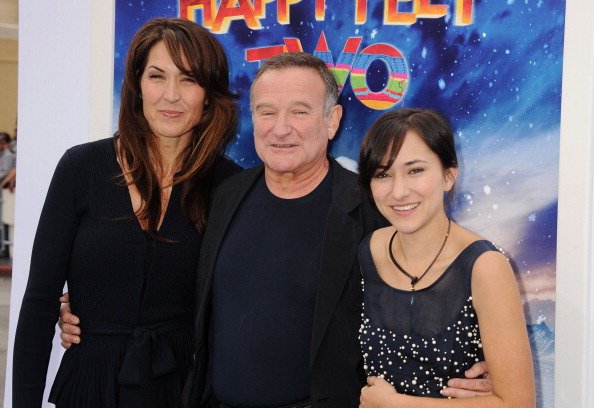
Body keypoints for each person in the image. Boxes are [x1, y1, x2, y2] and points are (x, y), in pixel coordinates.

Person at [60, 53, 493, 407]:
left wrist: (470, 367)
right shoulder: (223, 193)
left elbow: (429, 288)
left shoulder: (370, 207)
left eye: (299, 112)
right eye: (267, 112)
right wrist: (88, 306)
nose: (280, 128)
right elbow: (171, 276)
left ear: (332, 121)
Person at [13, 17, 239, 408]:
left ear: (208, 95)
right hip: (89, 385)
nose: (171, 95)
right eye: (157, 76)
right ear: (136, 87)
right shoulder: (81, 167)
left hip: (184, 390)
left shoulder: (230, 186)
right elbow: (38, 300)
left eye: (188, 79)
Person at [357, 108, 535, 407]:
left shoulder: (484, 266)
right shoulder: (369, 250)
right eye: (383, 174)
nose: (399, 191)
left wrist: (395, 404)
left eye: (415, 170)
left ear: (449, 175)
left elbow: (518, 403)